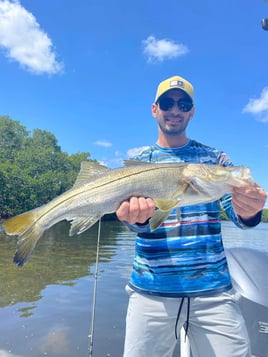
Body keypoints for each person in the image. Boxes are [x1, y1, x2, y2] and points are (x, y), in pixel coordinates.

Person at [116, 75, 267, 357]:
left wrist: (250, 211)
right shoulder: (141, 162)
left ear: (192, 111)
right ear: (154, 109)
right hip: (150, 291)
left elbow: (236, 214)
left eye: (183, 104)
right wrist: (134, 219)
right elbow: (135, 222)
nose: (175, 110)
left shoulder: (215, 159)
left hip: (214, 294)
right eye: (167, 103)